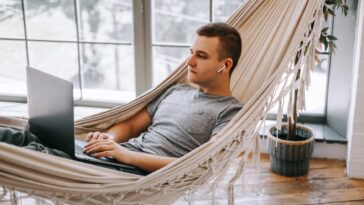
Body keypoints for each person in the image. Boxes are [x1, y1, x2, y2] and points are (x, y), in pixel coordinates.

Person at [0, 22, 243, 175]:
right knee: (29, 135)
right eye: (191, 53)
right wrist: (109, 139)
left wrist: (123, 155)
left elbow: (204, 164)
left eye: (201, 56)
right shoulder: (175, 90)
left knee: (39, 153)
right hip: (116, 155)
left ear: (225, 65)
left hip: (132, 172)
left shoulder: (230, 112)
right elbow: (128, 126)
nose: (189, 62)